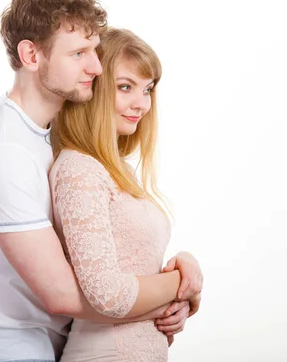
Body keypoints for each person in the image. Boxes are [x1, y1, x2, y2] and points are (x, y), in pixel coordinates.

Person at [0, 0, 201, 362]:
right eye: (79, 53)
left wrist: (174, 289)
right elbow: (63, 295)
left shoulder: (51, 140)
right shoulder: (2, 151)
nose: (96, 67)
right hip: (2, 349)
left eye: (95, 51)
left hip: (51, 346)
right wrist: (177, 290)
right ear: (31, 55)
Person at [49, 27, 202, 362]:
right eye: (125, 87)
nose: (142, 104)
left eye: (147, 90)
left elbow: (130, 268)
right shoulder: (79, 169)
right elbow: (107, 293)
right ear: (94, 88)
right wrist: (184, 285)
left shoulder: (113, 169)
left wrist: (182, 268)